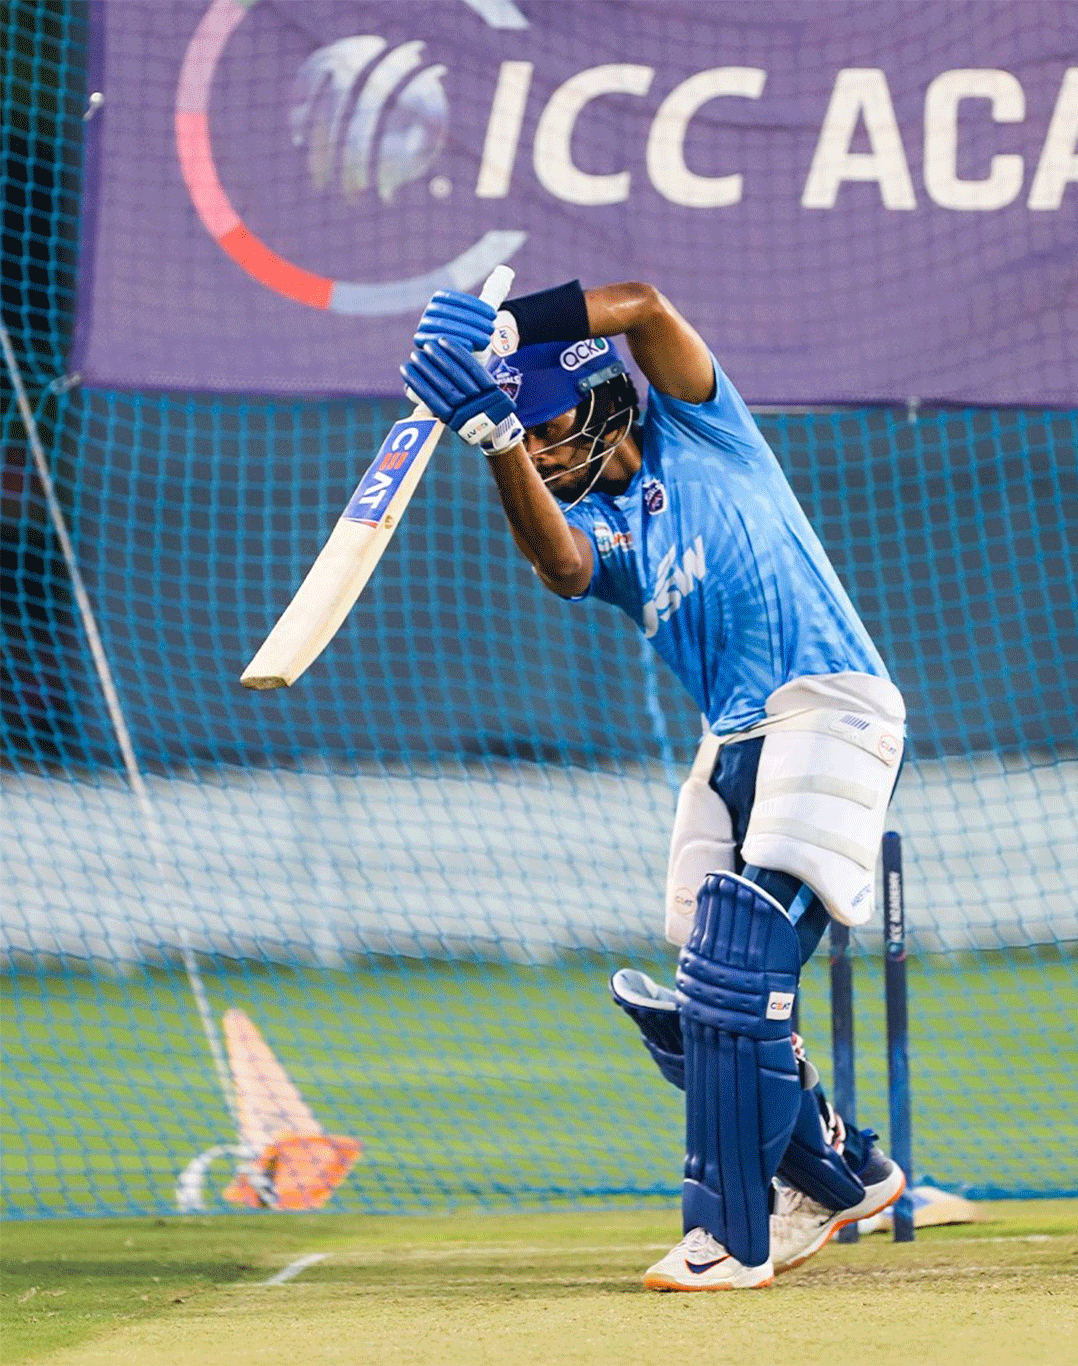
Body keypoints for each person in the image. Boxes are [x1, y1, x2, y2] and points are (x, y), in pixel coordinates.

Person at [400, 279, 908, 1291]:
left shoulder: (707, 429)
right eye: (529, 437)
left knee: (737, 971)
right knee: (698, 996)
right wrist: (496, 442)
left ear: (598, 402)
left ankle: (732, 1233)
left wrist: (514, 329)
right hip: (731, 743)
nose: (543, 450)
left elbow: (640, 303)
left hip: (828, 706)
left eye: (546, 427)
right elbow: (559, 563)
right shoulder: (617, 533)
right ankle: (842, 1170)